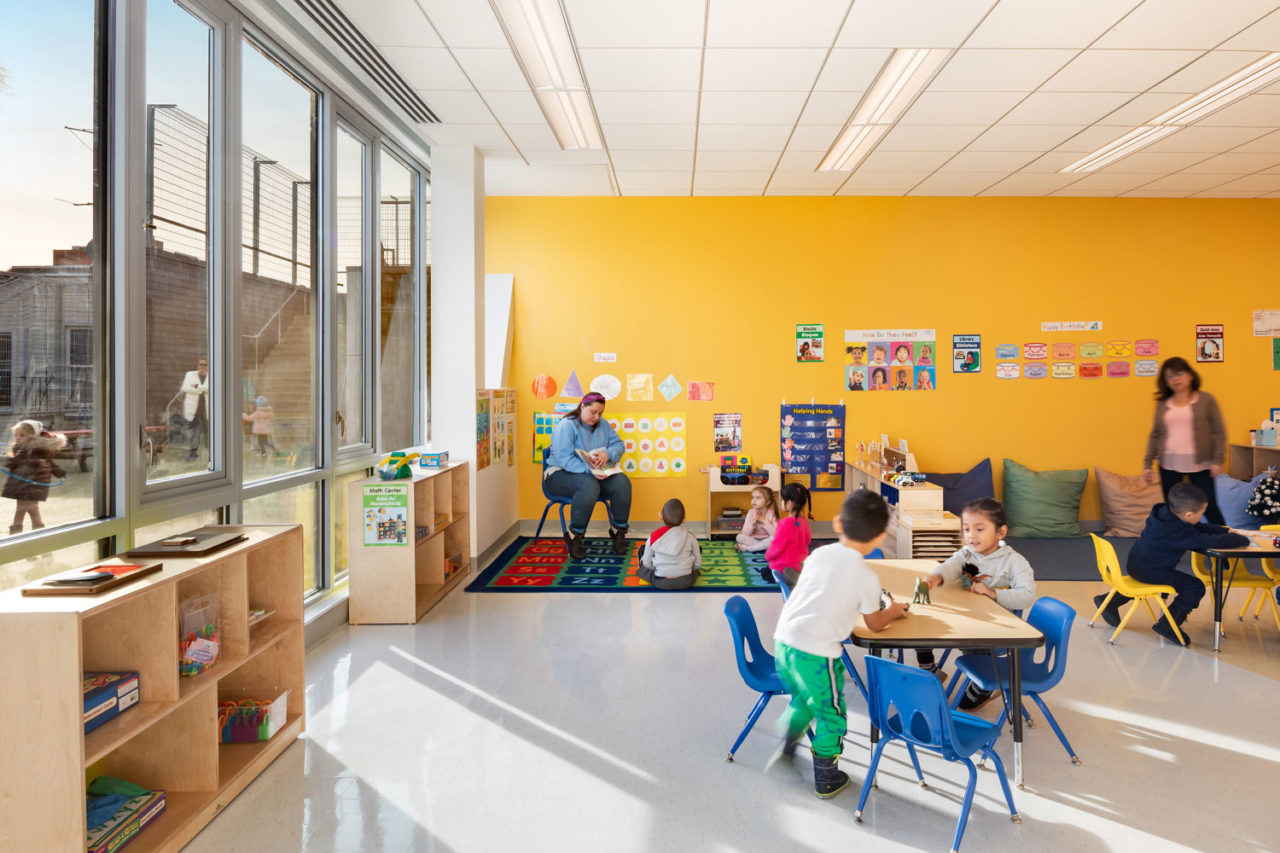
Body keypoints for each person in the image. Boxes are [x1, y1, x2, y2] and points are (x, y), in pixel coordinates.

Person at [773, 489, 909, 799]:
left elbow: (821, 590)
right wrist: (894, 611)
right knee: (832, 713)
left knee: (805, 701)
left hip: (784, 642)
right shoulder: (866, 576)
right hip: (816, 654)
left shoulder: (819, 554)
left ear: (837, 524)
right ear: (878, 540)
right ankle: (826, 778)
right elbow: (874, 623)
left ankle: (788, 745)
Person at [915, 498, 1036, 709]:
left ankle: (984, 685)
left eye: (979, 529)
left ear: (1000, 532)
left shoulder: (1014, 562)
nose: (971, 535)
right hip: (967, 617)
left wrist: (993, 594)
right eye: (967, 529)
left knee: (970, 643)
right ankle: (929, 670)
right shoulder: (967, 553)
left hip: (993, 630)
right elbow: (950, 566)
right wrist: (935, 577)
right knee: (921, 621)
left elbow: (1027, 595)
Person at [1093, 482, 1248, 646]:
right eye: (1201, 513)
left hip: (1136, 564)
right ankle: (1169, 625)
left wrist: (1223, 530)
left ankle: (1108, 602)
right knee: (1194, 587)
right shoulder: (1179, 532)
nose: (1200, 517)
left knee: (1149, 580)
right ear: (1188, 515)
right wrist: (1241, 539)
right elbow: (1207, 540)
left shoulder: (1163, 514)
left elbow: (1199, 527)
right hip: (1151, 571)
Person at [545, 392, 631, 559]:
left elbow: (618, 444)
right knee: (587, 484)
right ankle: (574, 535)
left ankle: (618, 531)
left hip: (592, 475)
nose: (597, 417)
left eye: (600, 413)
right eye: (593, 412)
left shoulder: (602, 424)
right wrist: (591, 471)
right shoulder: (566, 426)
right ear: (582, 406)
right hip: (558, 475)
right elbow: (565, 460)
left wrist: (609, 454)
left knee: (622, 482)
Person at [1141, 356, 1226, 525]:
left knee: (1208, 506)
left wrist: (1218, 460)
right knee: (1173, 509)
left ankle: (1225, 541)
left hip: (1200, 463)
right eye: (1170, 376)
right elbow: (1155, 434)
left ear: (1190, 375)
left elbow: (1219, 431)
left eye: (1179, 373)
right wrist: (1147, 464)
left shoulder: (1206, 400)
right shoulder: (1163, 404)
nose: (1175, 379)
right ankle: (1176, 545)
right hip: (1169, 464)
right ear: (1165, 381)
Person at [3, 419, 67, 534]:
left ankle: (19, 531)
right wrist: (61, 473)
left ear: (32, 438)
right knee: (28, 508)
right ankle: (34, 530)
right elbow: (52, 464)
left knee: (25, 508)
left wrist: (1, 459)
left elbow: (12, 462)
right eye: (16, 435)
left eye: (22, 435)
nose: (17, 438)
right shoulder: (41, 451)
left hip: (27, 486)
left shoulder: (26, 451)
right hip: (32, 487)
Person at [637, 499, 701, 590]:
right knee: (695, 568)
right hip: (686, 581)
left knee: (644, 569)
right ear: (684, 519)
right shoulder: (690, 537)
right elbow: (698, 564)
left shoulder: (653, 537)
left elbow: (647, 564)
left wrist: (659, 568)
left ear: (660, 516)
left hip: (661, 582)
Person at [765, 482, 812, 586]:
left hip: (783, 566)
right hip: (799, 565)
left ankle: (786, 577)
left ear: (789, 504)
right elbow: (807, 541)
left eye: (782, 500)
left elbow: (776, 547)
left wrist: (767, 556)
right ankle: (796, 575)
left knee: (765, 572)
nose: (780, 502)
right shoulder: (804, 522)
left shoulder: (785, 523)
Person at [178, 356, 210, 462]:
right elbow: (185, 388)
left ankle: (211, 454)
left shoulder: (212, 375)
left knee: (208, 432)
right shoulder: (190, 374)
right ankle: (193, 453)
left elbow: (211, 388)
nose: (203, 366)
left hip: (207, 410)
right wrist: (202, 390)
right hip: (193, 409)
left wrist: (196, 386)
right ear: (197, 365)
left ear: (208, 366)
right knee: (193, 432)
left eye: (205, 364)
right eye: (201, 364)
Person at [735, 485, 779, 552]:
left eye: (758, 498)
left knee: (775, 538)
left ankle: (750, 548)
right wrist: (753, 523)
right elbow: (745, 533)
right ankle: (762, 547)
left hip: (767, 539)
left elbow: (775, 534)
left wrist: (765, 521)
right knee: (739, 537)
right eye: (752, 497)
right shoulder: (751, 512)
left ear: (767, 502)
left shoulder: (772, 513)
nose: (754, 500)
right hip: (753, 539)